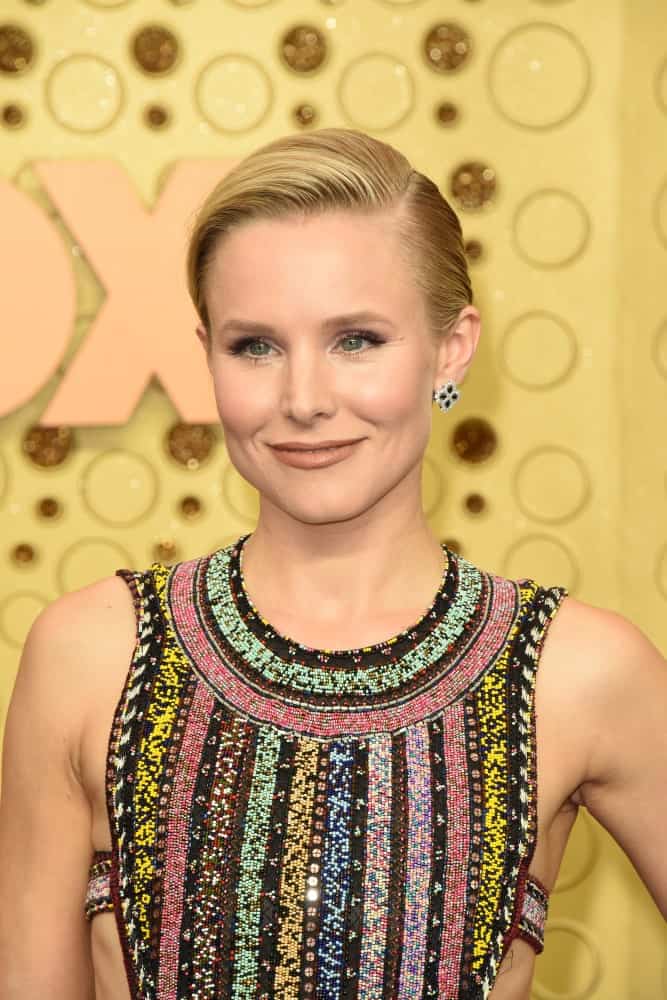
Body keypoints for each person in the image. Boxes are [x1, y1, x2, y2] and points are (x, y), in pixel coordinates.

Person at [0, 127, 665, 1000]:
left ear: (451, 347)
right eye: (255, 346)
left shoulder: (578, 672)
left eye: (356, 339)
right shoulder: (91, 655)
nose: (304, 400)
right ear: (205, 352)